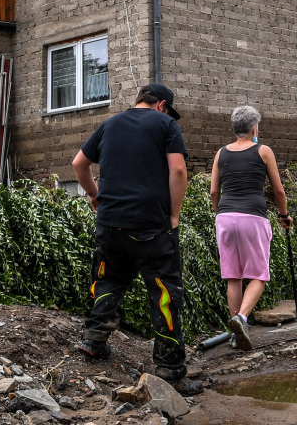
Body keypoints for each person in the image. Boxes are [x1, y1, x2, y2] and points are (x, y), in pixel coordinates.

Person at [71, 83, 202, 395]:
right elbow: (179, 171)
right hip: (151, 227)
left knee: (108, 280)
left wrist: (94, 194)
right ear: (162, 106)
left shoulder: (109, 124)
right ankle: (170, 370)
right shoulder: (166, 124)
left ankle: (94, 341)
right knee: (165, 294)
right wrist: (174, 215)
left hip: (110, 223)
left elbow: (79, 164)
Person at [209, 106, 291, 351]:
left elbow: (214, 191)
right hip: (252, 217)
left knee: (233, 276)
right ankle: (241, 318)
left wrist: (220, 214)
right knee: (258, 275)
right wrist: (284, 215)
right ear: (254, 128)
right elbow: (278, 191)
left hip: (224, 217)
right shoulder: (263, 151)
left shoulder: (220, 153)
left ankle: (235, 334)